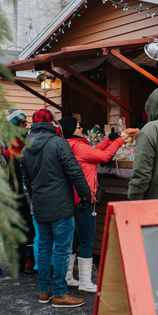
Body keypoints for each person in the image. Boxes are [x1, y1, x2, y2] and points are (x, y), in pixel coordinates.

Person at [20, 108, 92, 308]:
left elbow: (26, 180)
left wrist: (36, 199)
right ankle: (60, 293)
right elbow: (74, 171)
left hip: (40, 205)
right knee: (61, 249)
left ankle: (45, 291)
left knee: (43, 247)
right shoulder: (59, 143)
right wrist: (86, 195)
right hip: (61, 205)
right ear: (51, 123)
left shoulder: (26, 148)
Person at [58, 117, 124, 293]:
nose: (81, 129)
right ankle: (85, 282)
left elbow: (92, 152)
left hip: (71, 199)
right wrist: (120, 139)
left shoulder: (69, 145)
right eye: (79, 127)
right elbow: (103, 157)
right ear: (72, 130)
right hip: (85, 200)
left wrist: (108, 140)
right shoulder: (78, 146)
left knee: (73, 241)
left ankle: (69, 277)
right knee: (87, 241)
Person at [4, 108, 35, 274]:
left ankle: (21, 261)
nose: (26, 125)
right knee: (28, 226)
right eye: (23, 123)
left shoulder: (9, 149)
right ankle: (27, 260)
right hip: (24, 192)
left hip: (15, 192)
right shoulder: (25, 146)